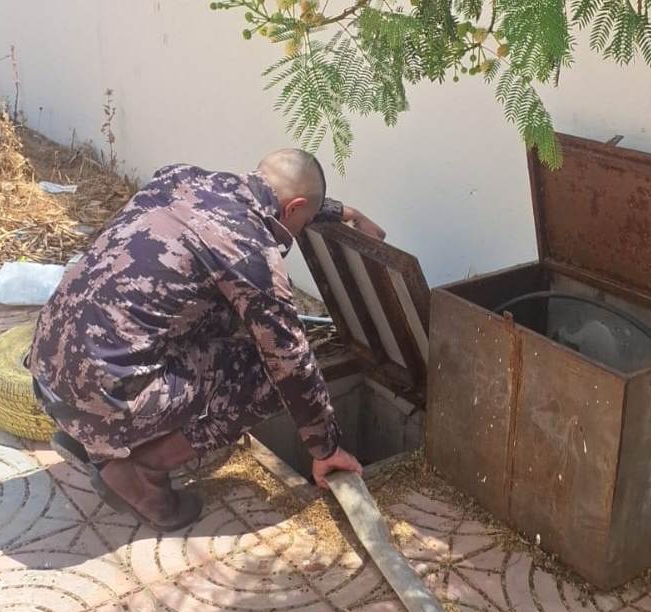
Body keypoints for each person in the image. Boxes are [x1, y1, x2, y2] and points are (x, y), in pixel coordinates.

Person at [28, 149, 385, 531]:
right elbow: (291, 362)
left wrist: (343, 212)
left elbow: (285, 200)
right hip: (101, 396)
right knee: (268, 375)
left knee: (217, 313)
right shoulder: (248, 250)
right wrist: (325, 448)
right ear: (294, 208)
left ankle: (97, 439)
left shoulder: (182, 178)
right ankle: (140, 472)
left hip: (49, 374)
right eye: (304, 222)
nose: (299, 231)